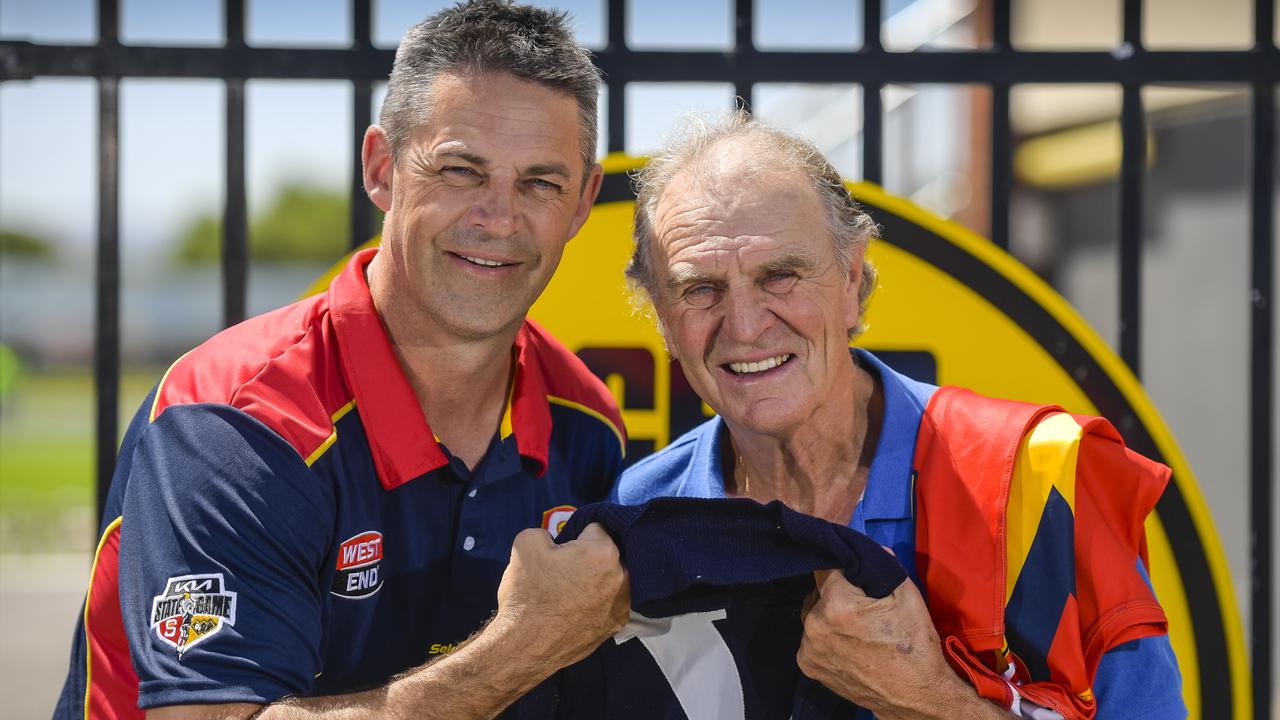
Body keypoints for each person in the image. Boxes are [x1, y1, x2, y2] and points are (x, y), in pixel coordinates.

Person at [54, 2, 630, 718]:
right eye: (460, 170)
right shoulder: (237, 420)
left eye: (541, 183)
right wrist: (524, 646)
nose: (500, 217)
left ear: (582, 203)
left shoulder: (588, 422)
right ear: (383, 169)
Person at [614, 111, 1186, 719]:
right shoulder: (643, 511)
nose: (746, 325)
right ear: (661, 317)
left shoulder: (1037, 481)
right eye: (699, 289)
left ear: (853, 276)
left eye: (780, 276)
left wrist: (927, 702)